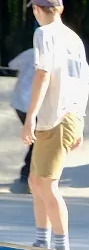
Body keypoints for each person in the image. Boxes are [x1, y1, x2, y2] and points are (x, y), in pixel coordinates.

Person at [21, 0, 89, 250]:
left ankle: (62, 248)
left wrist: (29, 118)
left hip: (56, 116)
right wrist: (80, 120)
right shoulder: (73, 37)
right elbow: (85, 81)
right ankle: (42, 239)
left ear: (38, 10)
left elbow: (43, 74)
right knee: (35, 180)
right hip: (66, 116)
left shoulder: (43, 33)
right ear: (60, 8)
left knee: (47, 184)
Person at [8, 47, 37, 194]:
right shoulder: (56, 54)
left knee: (36, 141)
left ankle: (29, 176)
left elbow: (12, 64)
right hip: (36, 106)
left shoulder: (30, 52)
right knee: (39, 142)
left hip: (19, 104)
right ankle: (27, 176)